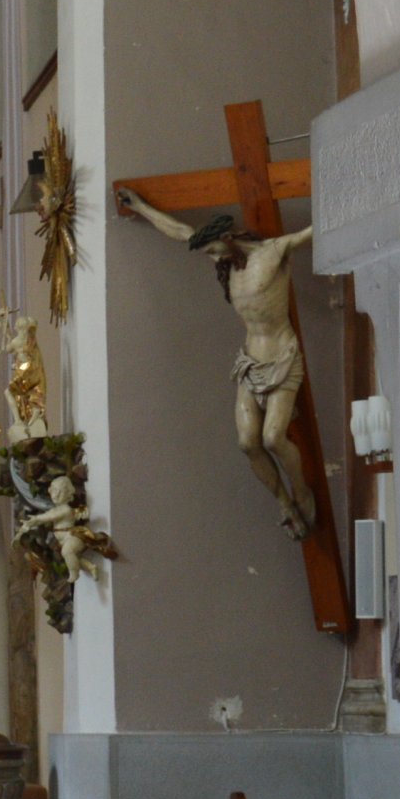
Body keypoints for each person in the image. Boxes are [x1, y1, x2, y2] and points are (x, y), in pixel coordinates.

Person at [118, 186, 319, 537]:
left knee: (273, 438)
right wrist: (141, 208)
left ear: (227, 238)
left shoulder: (273, 253)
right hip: (250, 361)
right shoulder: (224, 260)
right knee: (247, 443)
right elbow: (182, 232)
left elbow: (314, 231)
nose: (213, 257)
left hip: (282, 357)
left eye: (213, 248)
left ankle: (301, 489)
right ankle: (284, 502)